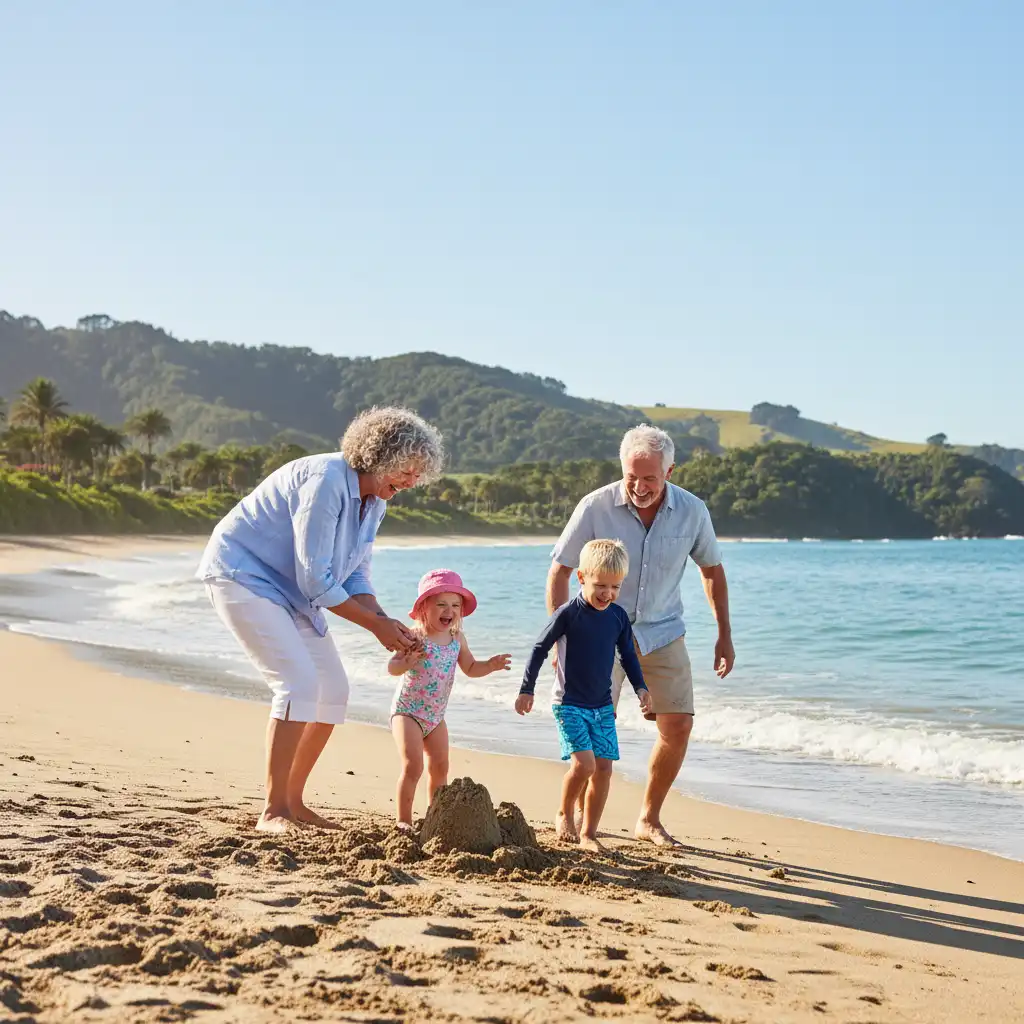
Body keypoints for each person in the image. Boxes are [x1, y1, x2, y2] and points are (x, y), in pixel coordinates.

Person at [197, 406, 445, 834]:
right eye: (406, 471)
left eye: (417, 475)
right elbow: (316, 579)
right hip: (243, 575)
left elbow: (354, 574)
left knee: (333, 691)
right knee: (298, 685)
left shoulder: (375, 502)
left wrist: (387, 622)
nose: (411, 482)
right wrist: (375, 626)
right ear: (379, 456)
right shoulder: (326, 480)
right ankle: (273, 810)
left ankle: (293, 803)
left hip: (291, 592)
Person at [546, 425, 735, 847]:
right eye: (632, 476)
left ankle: (649, 819)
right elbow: (559, 571)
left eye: (650, 478)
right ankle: (573, 817)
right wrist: (564, 640)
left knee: (678, 725)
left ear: (670, 471)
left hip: (662, 631)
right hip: (597, 636)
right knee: (593, 732)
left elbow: (712, 571)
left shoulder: (692, 511)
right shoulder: (595, 507)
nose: (639, 486)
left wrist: (724, 634)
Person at [517, 539, 652, 851]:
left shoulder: (618, 617)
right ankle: (564, 813)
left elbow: (628, 656)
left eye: (615, 586)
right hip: (569, 704)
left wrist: (640, 687)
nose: (608, 593)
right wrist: (527, 689)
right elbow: (539, 648)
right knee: (584, 766)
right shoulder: (568, 614)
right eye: (600, 585)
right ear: (581, 577)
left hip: (602, 706)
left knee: (604, 768)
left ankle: (589, 833)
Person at [388, 569, 511, 829]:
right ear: (424, 606)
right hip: (407, 711)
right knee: (413, 766)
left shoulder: (457, 639)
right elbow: (392, 667)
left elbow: (471, 668)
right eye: (441, 604)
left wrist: (490, 665)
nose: (449, 610)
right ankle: (403, 821)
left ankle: (435, 817)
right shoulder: (414, 636)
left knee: (440, 767)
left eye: (455, 605)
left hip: (435, 716)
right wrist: (406, 662)